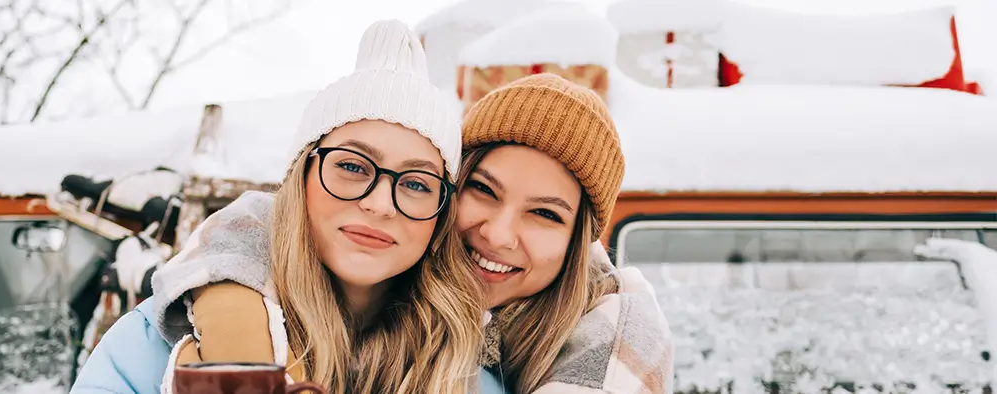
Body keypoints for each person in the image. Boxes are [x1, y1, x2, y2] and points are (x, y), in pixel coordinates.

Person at [153, 73, 674, 393]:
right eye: (484, 191)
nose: (498, 232)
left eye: (545, 215)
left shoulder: (603, 343)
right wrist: (237, 333)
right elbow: (261, 226)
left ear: (577, 244)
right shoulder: (371, 294)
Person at [70, 19, 496, 394]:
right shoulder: (148, 350)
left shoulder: (469, 371)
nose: (380, 203)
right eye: (351, 165)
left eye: (418, 183)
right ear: (300, 179)